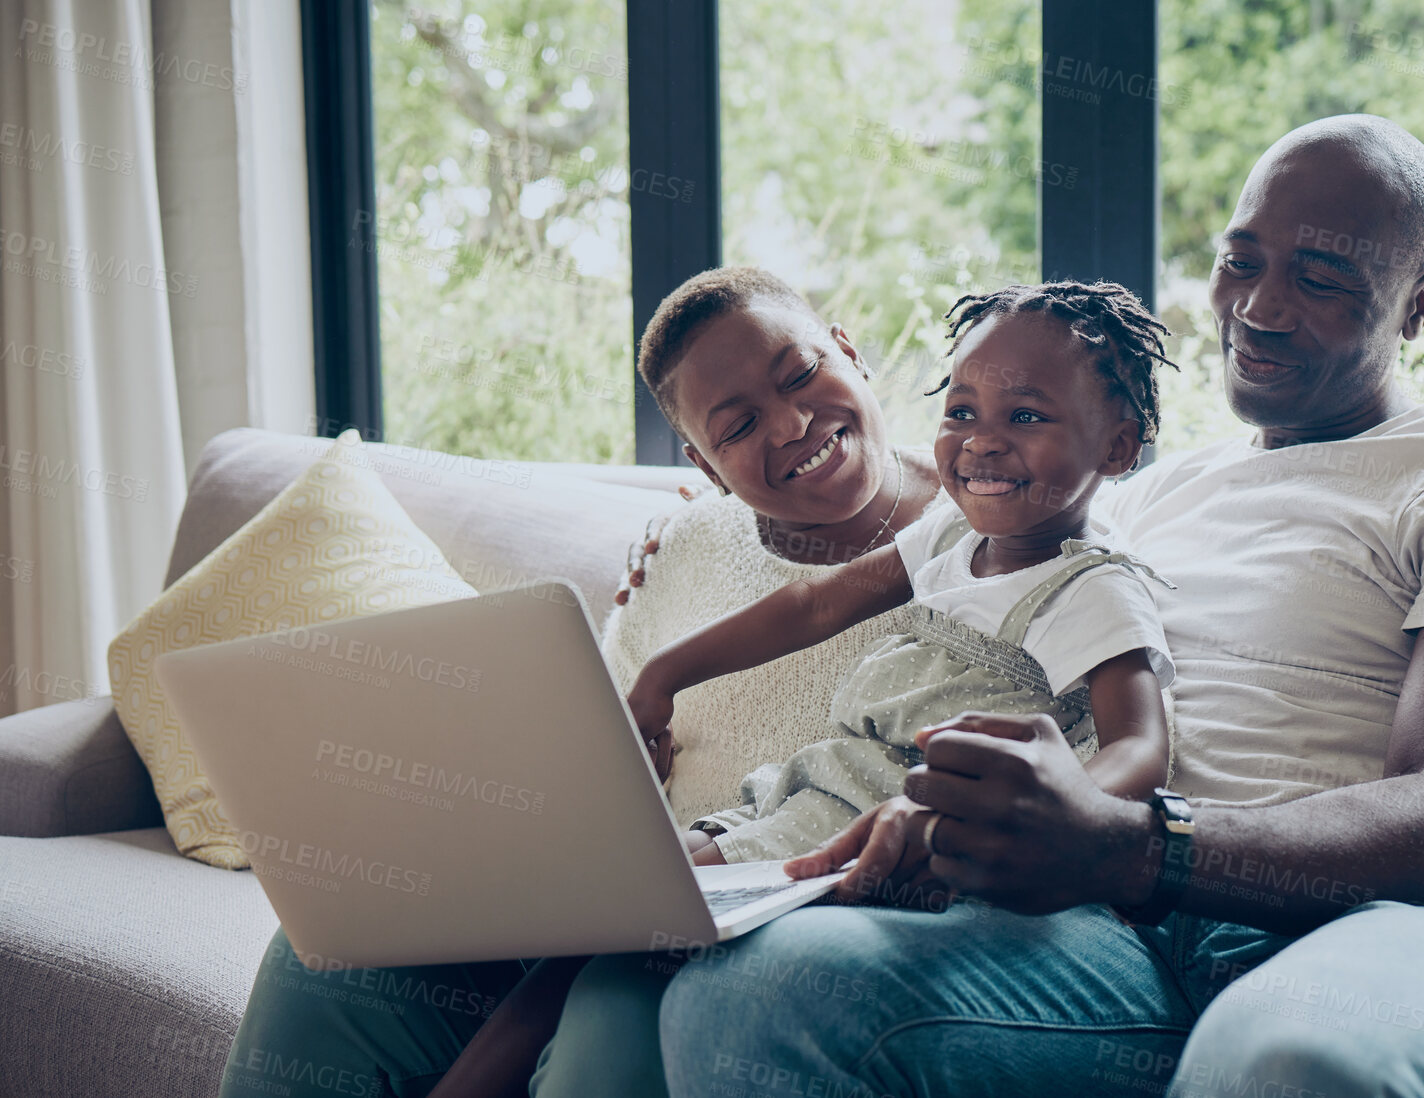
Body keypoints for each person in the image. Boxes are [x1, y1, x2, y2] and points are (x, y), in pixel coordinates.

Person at [541, 114, 1424, 1098]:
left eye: (1319, 277)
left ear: (1421, 298)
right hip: (1127, 931)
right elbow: (943, 533)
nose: (1258, 307)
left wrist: (1131, 843)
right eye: (1239, 262)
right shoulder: (1137, 493)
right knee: (760, 989)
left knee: (1288, 1061)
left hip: (1378, 925)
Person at [215, 266, 946, 1098]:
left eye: (801, 373)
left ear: (848, 350)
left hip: (765, 918)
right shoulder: (689, 542)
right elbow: (602, 743)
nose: (791, 422)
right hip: (621, 895)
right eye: (738, 425)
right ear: (705, 465)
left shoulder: (989, 535)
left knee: (610, 1019)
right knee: (323, 957)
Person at [627, 281, 1179, 868]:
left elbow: (1140, 747)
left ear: (1118, 449)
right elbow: (815, 604)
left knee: (664, 887)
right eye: (961, 412)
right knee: (636, 870)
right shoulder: (953, 535)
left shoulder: (1093, 588)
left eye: (1024, 416)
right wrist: (662, 675)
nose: (983, 441)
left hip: (911, 820)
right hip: (825, 784)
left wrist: (1052, 821)